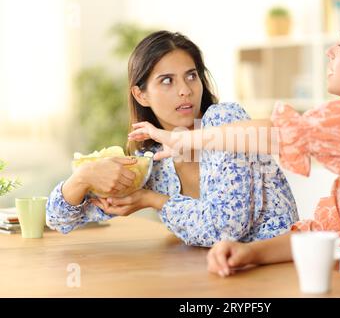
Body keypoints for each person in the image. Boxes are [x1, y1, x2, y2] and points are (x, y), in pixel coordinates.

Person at [128, 5, 340, 297]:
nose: (330, 51)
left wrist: (187, 140)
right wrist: (249, 253)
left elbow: (280, 133)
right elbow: (323, 231)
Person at [46, 31, 299, 246]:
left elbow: (226, 229)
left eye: (191, 76)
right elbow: (59, 220)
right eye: (167, 80)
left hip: (283, 274)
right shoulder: (151, 166)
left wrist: (152, 200)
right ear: (141, 95)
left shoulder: (225, 121)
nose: (185, 90)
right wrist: (83, 177)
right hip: (218, 279)